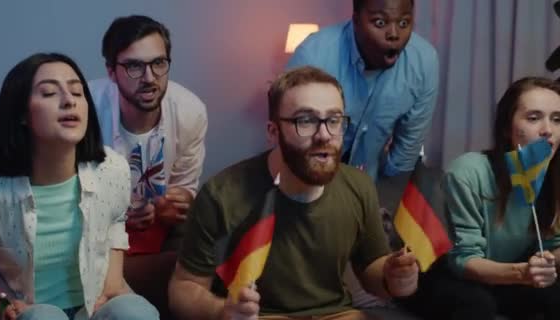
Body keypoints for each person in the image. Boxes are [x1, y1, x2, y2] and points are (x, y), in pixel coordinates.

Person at [168, 66, 419, 320]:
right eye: (306, 121)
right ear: (273, 132)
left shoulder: (359, 186)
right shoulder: (221, 195)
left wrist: (392, 276)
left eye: (333, 120)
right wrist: (222, 311)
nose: (324, 135)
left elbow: (371, 269)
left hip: (335, 315)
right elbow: (184, 289)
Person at [0, 53, 158, 320]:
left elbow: (116, 219)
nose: (69, 100)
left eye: (77, 91)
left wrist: (114, 283)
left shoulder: (111, 169)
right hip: (26, 308)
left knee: (136, 312)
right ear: (21, 114)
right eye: (49, 93)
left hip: (94, 305)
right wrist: (2, 301)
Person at [403, 77, 560, 320]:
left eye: (557, 119)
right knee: (476, 305)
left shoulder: (553, 177)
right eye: (533, 118)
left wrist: (547, 262)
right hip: (455, 275)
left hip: (509, 277)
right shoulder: (469, 171)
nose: (548, 129)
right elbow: (464, 260)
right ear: (507, 128)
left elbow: (550, 246)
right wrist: (522, 273)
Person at [88, 15, 207, 313]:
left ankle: (116, 287)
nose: (150, 77)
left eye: (159, 63)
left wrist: (175, 203)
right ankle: (118, 286)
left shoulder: (189, 110)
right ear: (111, 72)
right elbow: (65, 189)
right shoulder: (85, 107)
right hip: (94, 228)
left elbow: (186, 185)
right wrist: (118, 215)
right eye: (134, 66)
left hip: (159, 228)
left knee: (206, 236)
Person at [287, 0, 439, 180]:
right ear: (356, 20)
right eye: (380, 23)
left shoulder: (423, 63)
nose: (394, 34)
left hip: (368, 187)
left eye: (404, 23)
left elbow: (404, 156)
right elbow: (289, 139)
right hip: (306, 181)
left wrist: (381, 203)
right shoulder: (313, 56)